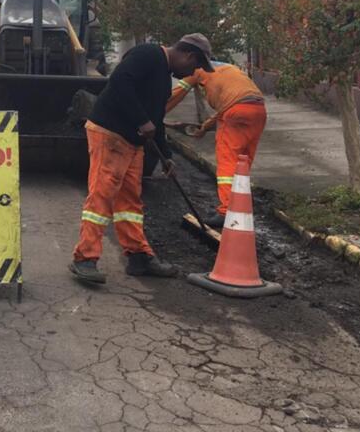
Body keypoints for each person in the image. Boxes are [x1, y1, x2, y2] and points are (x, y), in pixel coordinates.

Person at [70, 34, 215, 285]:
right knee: (103, 194)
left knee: (130, 201)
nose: (194, 71)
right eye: (196, 66)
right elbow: (119, 83)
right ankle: (84, 258)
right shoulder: (148, 55)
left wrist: (167, 157)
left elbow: (155, 120)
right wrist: (141, 120)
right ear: (189, 56)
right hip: (110, 132)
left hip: (131, 140)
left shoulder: (163, 78)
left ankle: (138, 256)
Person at [166, 60, 266, 230]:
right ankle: (241, 206)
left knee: (227, 162)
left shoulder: (195, 68)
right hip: (258, 110)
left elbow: (177, 93)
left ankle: (227, 211)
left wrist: (154, 113)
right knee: (243, 163)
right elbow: (231, 105)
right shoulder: (228, 69)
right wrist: (204, 127)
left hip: (235, 113)